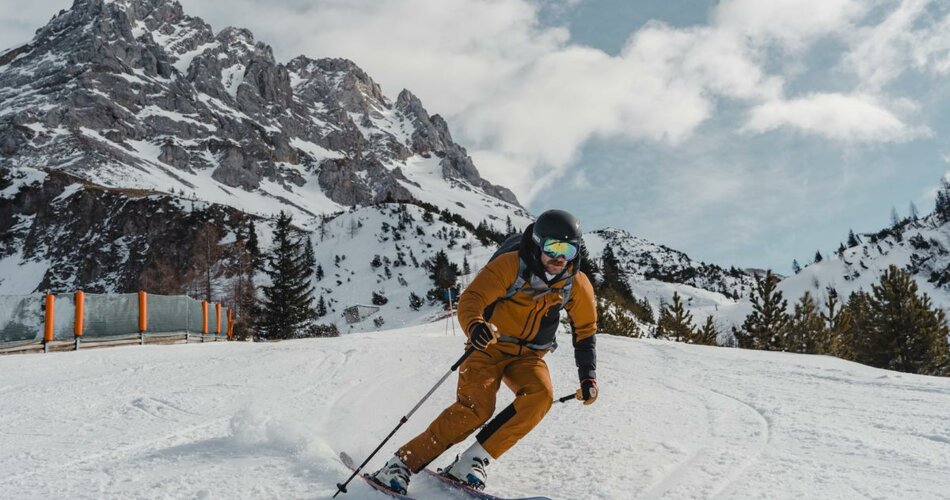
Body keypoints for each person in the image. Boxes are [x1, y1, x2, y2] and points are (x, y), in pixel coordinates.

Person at [370, 209, 599, 494]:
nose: (560, 257)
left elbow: (586, 330)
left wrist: (588, 377)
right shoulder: (510, 266)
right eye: (553, 247)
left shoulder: (575, 284)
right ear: (539, 243)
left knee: (540, 397)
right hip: (488, 346)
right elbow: (472, 299)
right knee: (476, 409)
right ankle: (400, 464)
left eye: (569, 249)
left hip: (528, 355)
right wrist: (475, 325)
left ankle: (472, 461)